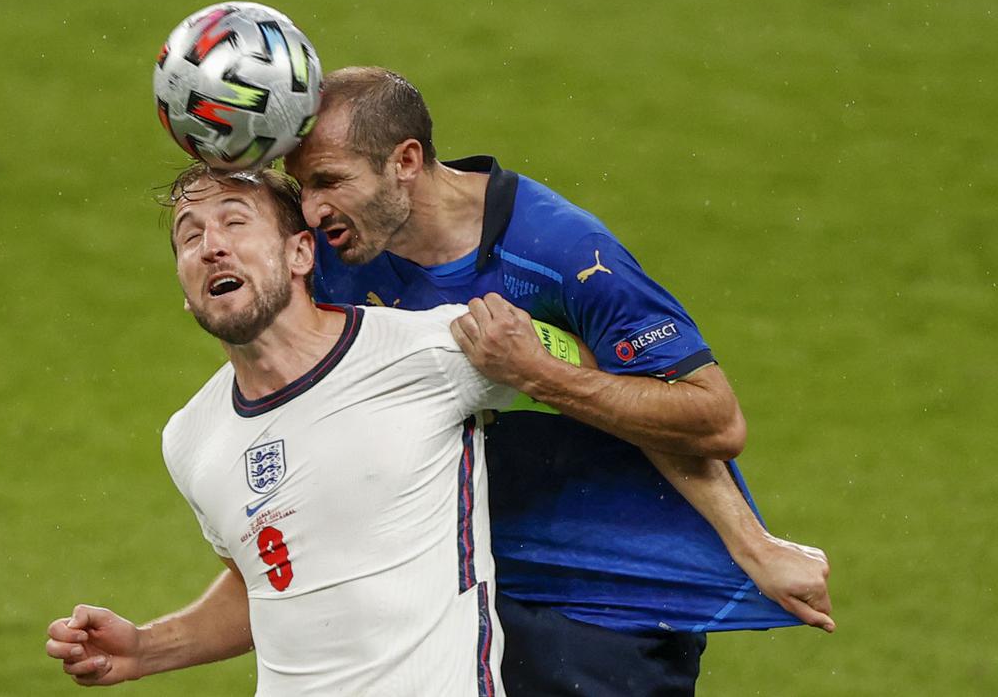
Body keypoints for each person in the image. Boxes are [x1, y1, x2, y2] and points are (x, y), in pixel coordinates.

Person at [283, 66, 834, 695]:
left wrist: (537, 374)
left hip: (600, 609)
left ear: (405, 161)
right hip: (455, 592)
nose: (311, 210)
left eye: (329, 181)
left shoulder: (561, 249)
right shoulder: (333, 257)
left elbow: (711, 419)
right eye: (300, 186)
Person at [45, 165, 522, 695]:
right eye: (190, 236)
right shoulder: (191, 439)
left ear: (300, 253)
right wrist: (146, 648)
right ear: (185, 289)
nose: (212, 247)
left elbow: (581, 374)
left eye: (235, 223)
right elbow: (270, 582)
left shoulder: (431, 352)